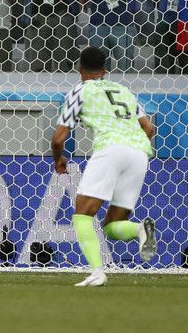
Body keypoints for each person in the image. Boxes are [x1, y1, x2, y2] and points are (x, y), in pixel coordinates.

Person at [50, 46, 158, 287]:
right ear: (105, 71)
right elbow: (149, 128)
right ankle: (140, 229)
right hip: (140, 153)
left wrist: (58, 159)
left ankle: (97, 272)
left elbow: (58, 139)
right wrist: (130, 145)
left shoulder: (80, 90)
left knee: (82, 214)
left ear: (80, 70)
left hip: (110, 149)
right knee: (112, 226)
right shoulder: (123, 90)